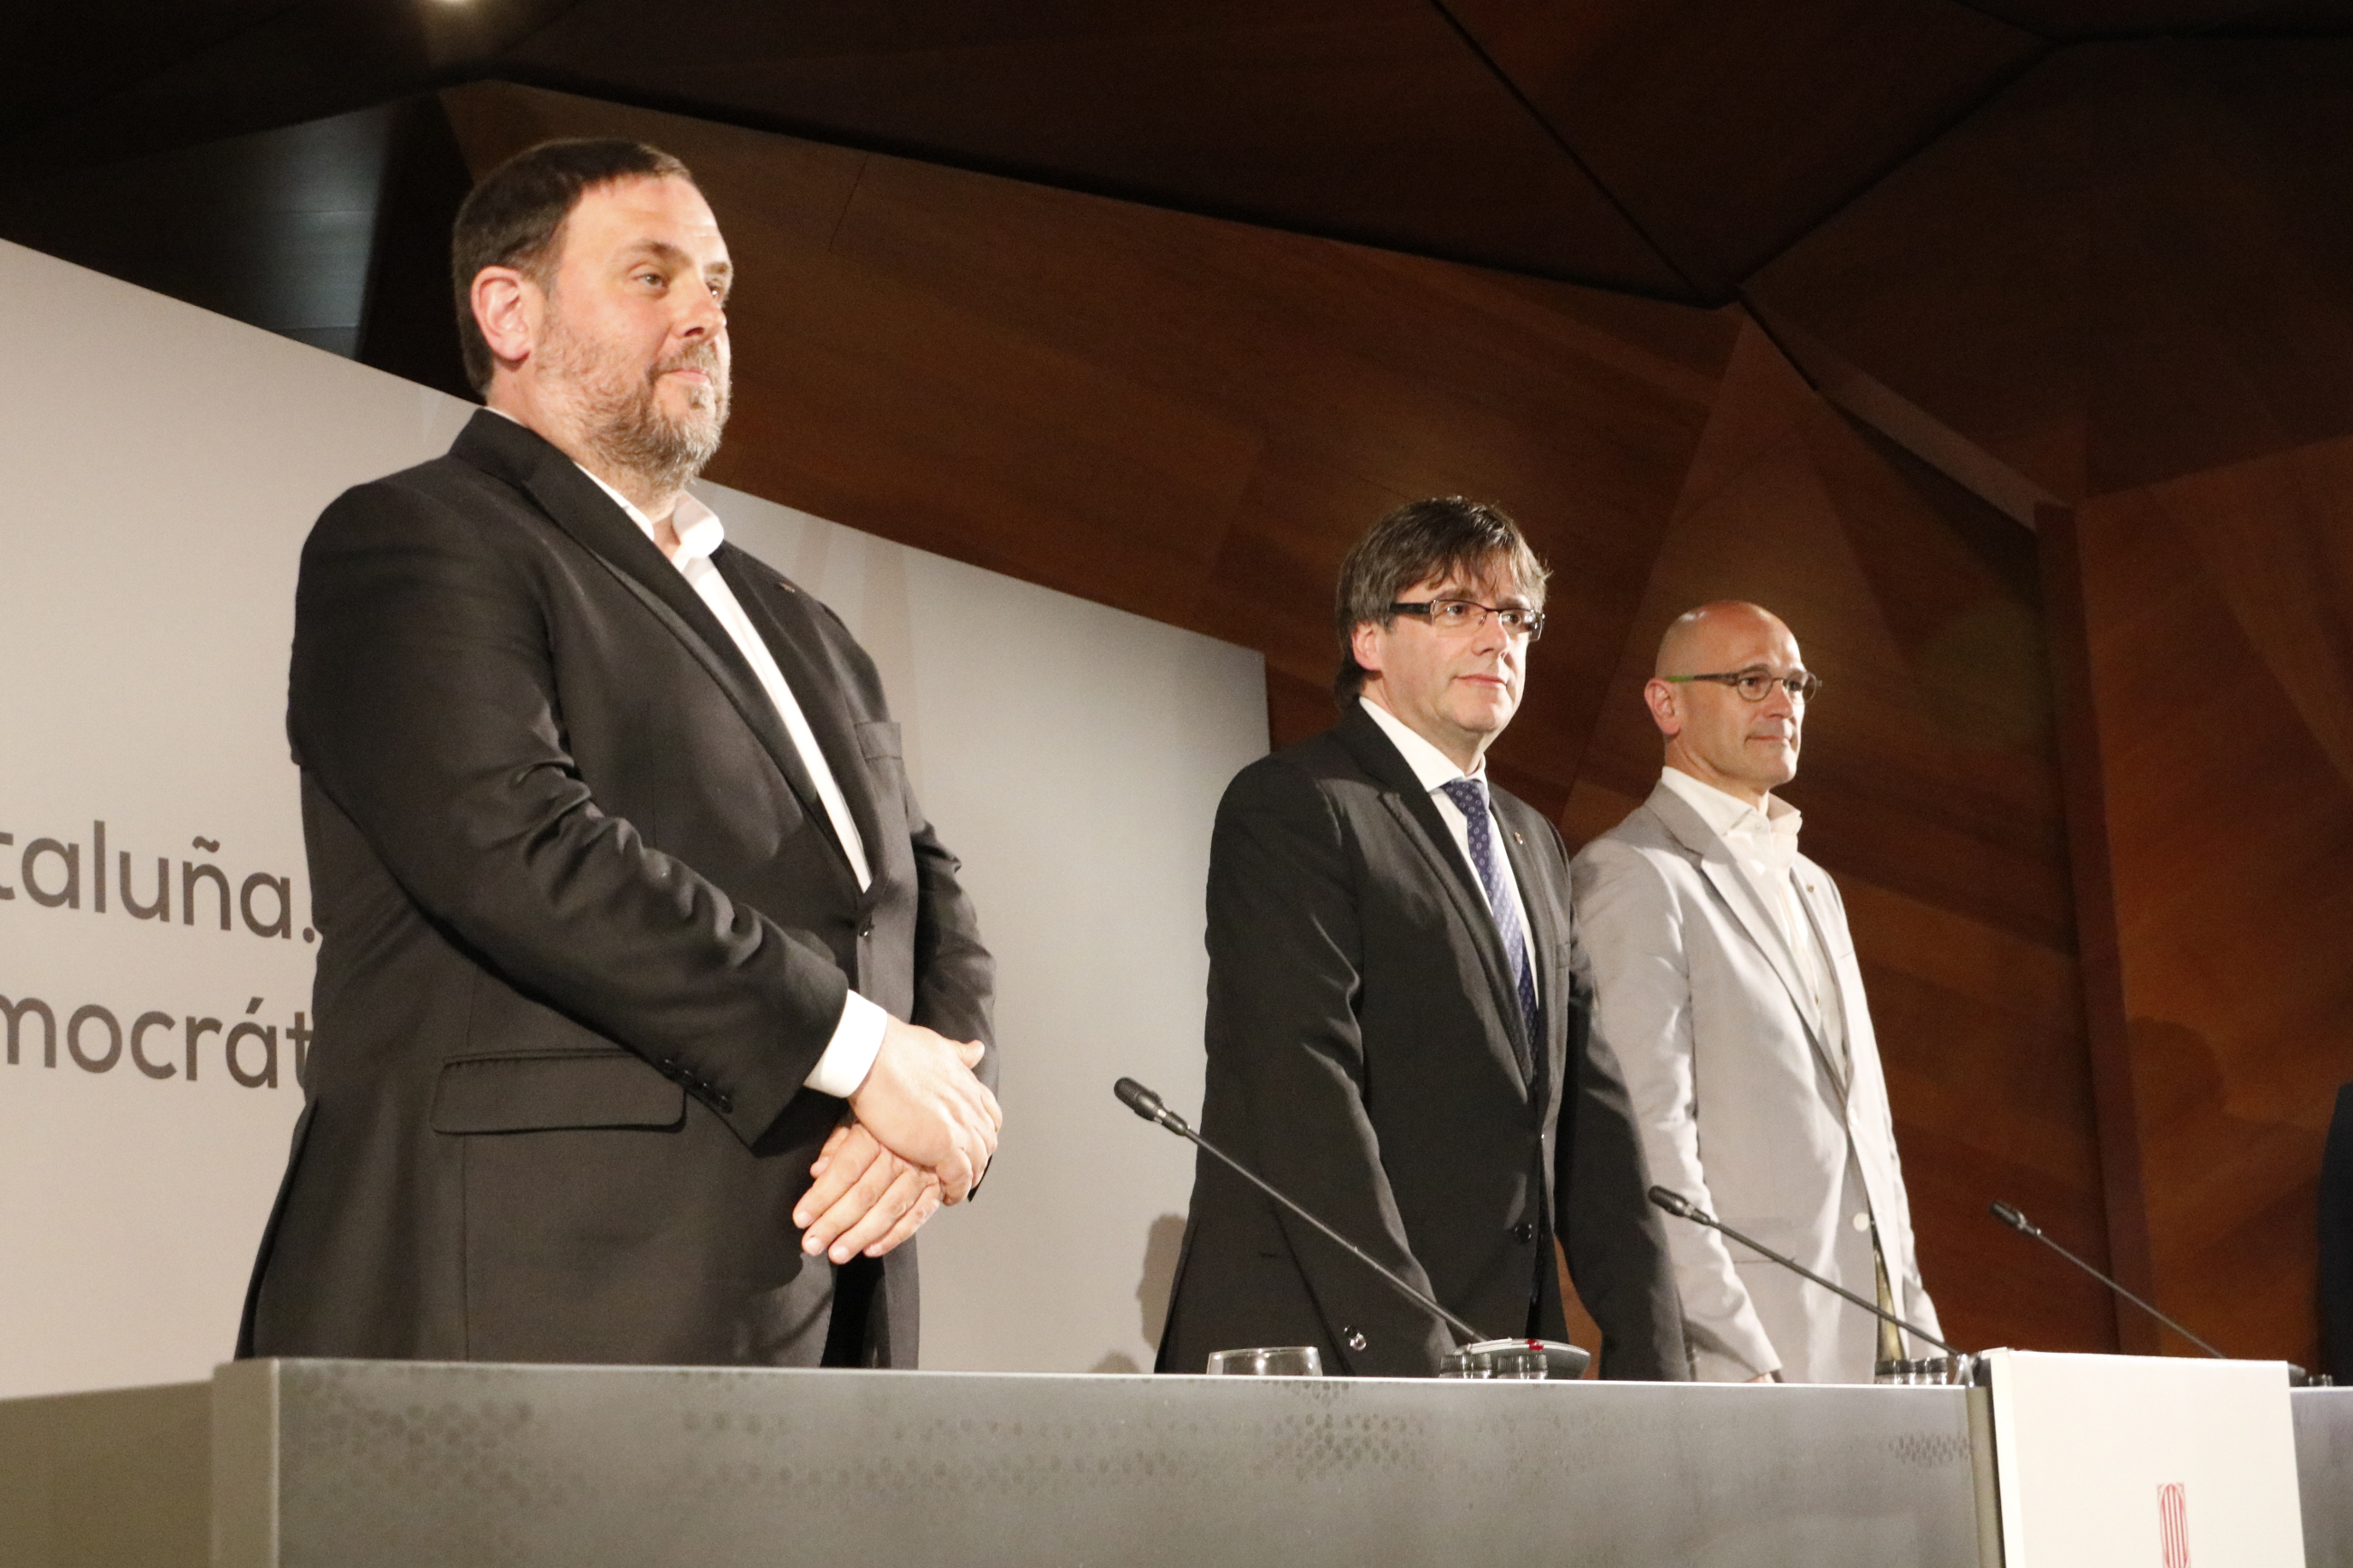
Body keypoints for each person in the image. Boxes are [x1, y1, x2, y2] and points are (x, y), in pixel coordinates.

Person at [239, 138, 1001, 1368]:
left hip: (822, 1299)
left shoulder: (800, 622)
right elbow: (518, 846)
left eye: (717, 283)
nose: (705, 313)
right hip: (547, 1302)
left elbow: (920, 886)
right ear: (510, 310)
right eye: (653, 276)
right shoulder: (420, 537)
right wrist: (864, 1053)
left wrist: (936, 1106)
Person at [1155, 499, 1684, 1379]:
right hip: (1326, 1355)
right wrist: (1418, 1362)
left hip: (1504, 1364)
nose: (1495, 639)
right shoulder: (1297, 804)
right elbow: (1301, 1092)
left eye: (1514, 615)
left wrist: (1657, 1360)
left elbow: (1593, 1124)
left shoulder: (1534, 843)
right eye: (1454, 609)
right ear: (1368, 637)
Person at [1572, 602, 1939, 1383]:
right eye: (1751, 681)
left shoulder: (1815, 885)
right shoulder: (1635, 873)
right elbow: (1654, 1146)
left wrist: (1916, 1326)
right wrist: (1737, 1349)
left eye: (1796, 682)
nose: (1784, 704)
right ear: (1665, 703)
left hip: (1881, 1346)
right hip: (1754, 1355)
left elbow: (1866, 1131)